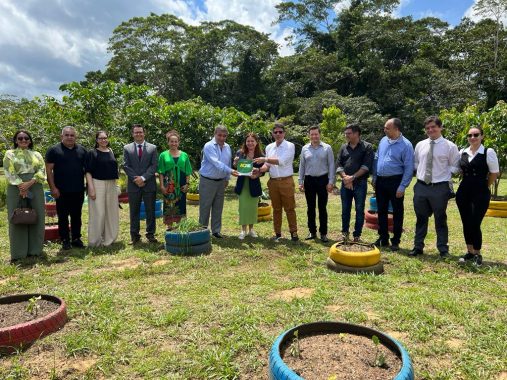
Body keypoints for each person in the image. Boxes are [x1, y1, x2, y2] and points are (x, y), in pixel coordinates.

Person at [410, 116, 460, 258]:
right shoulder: (420, 145)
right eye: (427, 128)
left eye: (433, 127)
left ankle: (443, 249)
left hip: (439, 187)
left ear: (440, 127)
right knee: (420, 218)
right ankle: (418, 246)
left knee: (440, 218)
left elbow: (455, 166)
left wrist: (442, 175)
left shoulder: (450, 146)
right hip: (421, 186)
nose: (430, 130)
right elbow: (416, 163)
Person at [455, 127, 499, 266]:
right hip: (463, 192)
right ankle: (469, 251)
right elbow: (460, 170)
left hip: (480, 192)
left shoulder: (488, 152)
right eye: (469, 135)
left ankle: (477, 254)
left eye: (476, 135)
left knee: (475, 222)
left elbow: (494, 173)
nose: (472, 137)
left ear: (482, 136)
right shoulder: (462, 152)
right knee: (466, 221)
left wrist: (484, 185)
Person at [372, 118, 414, 251]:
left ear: (397, 129)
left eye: (387, 128)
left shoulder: (406, 145)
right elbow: (377, 158)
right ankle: (383, 237)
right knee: (381, 210)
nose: (384, 130)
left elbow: (409, 168)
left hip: (396, 181)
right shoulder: (383, 140)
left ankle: (395, 240)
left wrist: (402, 186)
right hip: (381, 180)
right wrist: (374, 176)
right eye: (384, 127)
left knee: (397, 211)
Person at [4, 130, 46, 263]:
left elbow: (42, 170)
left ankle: (35, 250)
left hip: (35, 185)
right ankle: (19, 252)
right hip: (15, 187)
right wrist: (21, 186)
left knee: (37, 215)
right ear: (16, 140)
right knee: (17, 217)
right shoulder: (9, 154)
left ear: (30, 140)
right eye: (20, 138)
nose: (23, 140)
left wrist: (30, 183)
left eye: (26, 138)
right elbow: (8, 170)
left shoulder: (37, 154)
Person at [45, 126, 87, 250]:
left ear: (76, 137)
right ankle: (65, 240)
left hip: (78, 189)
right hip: (61, 190)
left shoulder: (82, 150)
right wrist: (53, 188)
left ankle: (76, 238)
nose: (69, 137)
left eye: (72, 135)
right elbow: (48, 170)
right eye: (67, 135)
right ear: (61, 136)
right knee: (62, 216)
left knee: (76, 216)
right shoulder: (53, 150)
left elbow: (87, 170)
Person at [257, 123, 298, 242]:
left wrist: (264, 159)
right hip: (273, 182)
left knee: (290, 208)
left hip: (286, 181)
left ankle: (293, 233)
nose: (278, 134)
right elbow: (268, 165)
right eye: (276, 132)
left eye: (280, 132)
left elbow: (282, 161)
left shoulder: (290, 146)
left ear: (284, 133)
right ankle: (277, 233)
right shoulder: (269, 147)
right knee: (276, 209)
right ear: (272, 134)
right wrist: (259, 170)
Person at [335, 124, 374, 242]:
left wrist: (352, 178)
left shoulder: (367, 147)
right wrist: (345, 178)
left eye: (349, 133)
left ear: (357, 134)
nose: (346, 135)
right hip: (345, 184)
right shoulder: (343, 147)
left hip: (360, 183)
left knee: (359, 209)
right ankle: (345, 233)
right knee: (345, 209)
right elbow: (339, 164)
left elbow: (366, 166)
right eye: (345, 133)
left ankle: (357, 235)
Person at [199, 125, 238, 238]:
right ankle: (202, 231)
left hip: (221, 182)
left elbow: (227, 163)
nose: (222, 138)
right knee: (205, 207)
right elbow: (216, 163)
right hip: (207, 181)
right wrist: (231, 171)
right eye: (219, 135)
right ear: (215, 134)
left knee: (218, 207)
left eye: (224, 136)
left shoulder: (227, 147)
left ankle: (216, 231)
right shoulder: (208, 146)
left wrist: (226, 178)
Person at [123, 124, 159, 244]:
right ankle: (134, 236)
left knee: (150, 210)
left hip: (148, 184)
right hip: (134, 185)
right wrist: (136, 179)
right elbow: (126, 166)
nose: (138, 134)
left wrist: (143, 178)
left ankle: (150, 234)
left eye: (140, 132)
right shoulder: (127, 148)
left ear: (144, 133)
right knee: (134, 211)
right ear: (132, 134)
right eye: (136, 132)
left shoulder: (152, 148)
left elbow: (154, 166)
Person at [298, 126, 335, 243]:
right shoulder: (304, 148)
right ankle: (312, 231)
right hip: (309, 180)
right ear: (309, 135)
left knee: (322, 208)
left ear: (320, 135)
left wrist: (331, 182)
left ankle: (323, 233)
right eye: (312, 134)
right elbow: (302, 166)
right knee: (310, 207)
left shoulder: (327, 148)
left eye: (316, 134)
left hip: (322, 180)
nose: (314, 136)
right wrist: (300, 181)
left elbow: (332, 166)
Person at [85, 131, 120, 247]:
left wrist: (116, 186)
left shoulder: (111, 151)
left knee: (111, 212)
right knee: (98, 213)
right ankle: (95, 241)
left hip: (111, 184)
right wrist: (91, 188)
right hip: (97, 183)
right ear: (96, 140)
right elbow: (88, 172)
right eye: (100, 138)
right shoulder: (92, 153)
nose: (103, 140)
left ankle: (109, 239)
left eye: (105, 138)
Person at [158, 130, 192, 230]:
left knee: (181, 204)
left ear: (179, 142)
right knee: (169, 205)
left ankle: (180, 226)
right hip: (169, 185)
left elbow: (188, 171)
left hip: (181, 185)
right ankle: (169, 227)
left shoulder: (184, 155)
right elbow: (161, 172)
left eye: (175, 141)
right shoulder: (163, 155)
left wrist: (187, 184)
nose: (174, 143)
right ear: (168, 142)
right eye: (171, 141)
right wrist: (162, 186)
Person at [233, 132, 264, 239]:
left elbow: (263, 171)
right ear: (245, 142)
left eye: (252, 141)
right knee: (243, 208)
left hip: (254, 184)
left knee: (252, 208)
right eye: (248, 141)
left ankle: (251, 230)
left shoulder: (260, 155)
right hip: (242, 184)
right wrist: (235, 163)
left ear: (256, 142)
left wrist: (257, 174)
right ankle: (243, 230)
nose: (250, 143)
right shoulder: (240, 153)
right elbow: (235, 167)